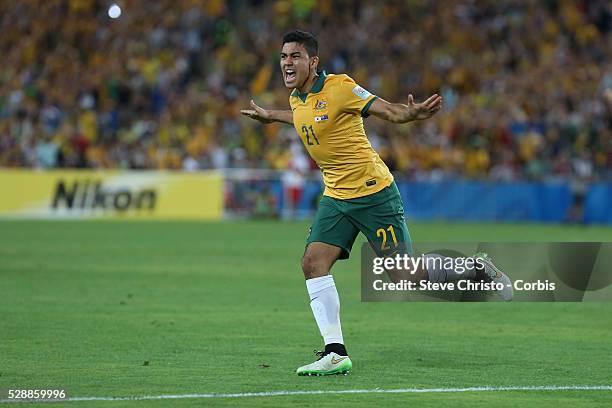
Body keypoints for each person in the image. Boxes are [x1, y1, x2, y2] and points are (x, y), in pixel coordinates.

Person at [241, 30, 512, 376]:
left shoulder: (340, 87)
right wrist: (270, 116)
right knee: (312, 262)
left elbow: (385, 110)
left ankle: (476, 270)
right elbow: (301, 116)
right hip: (336, 196)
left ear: (313, 62)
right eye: (283, 57)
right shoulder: (297, 98)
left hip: (373, 194)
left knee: (405, 274)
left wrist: (409, 115)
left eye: (295, 56)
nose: (287, 63)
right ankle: (335, 351)